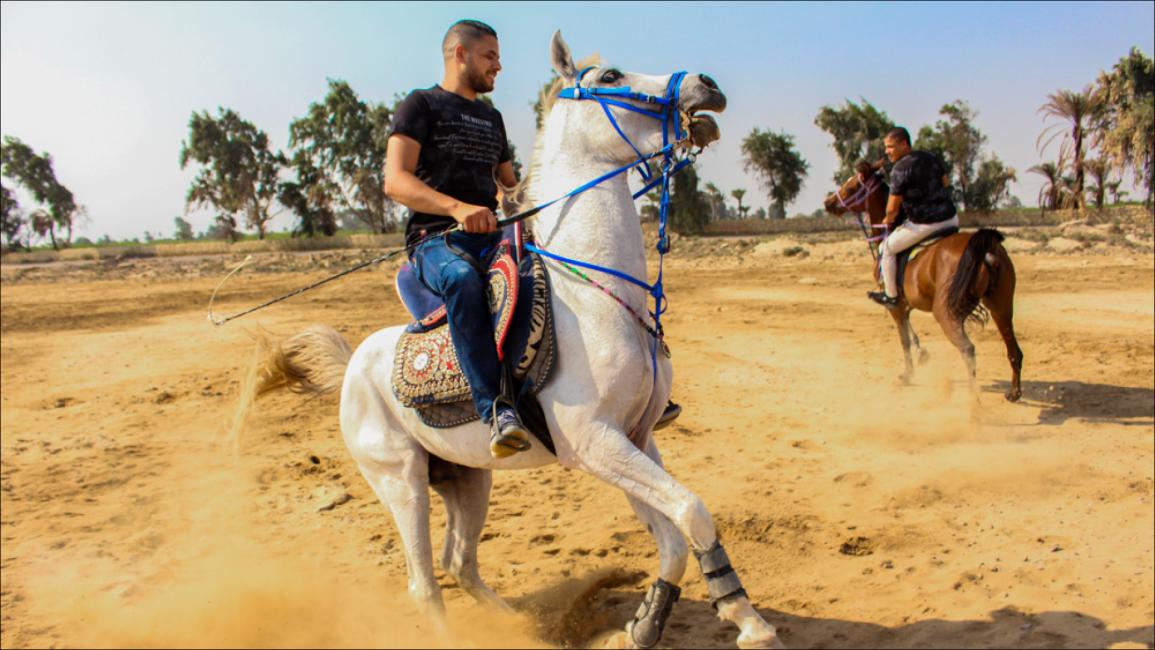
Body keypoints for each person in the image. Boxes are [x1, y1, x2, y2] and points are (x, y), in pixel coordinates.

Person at [384, 19, 530, 458]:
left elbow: (510, 190)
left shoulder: (493, 118)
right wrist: (458, 209)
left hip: (492, 236)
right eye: (490, 56)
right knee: (464, 281)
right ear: (459, 54)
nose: (499, 66)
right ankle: (496, 411)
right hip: (436, 240)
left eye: (499, 57)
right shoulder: (421, 105)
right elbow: (395, 181)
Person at [867, 127, 959, 309]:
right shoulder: (930, 157)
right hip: (951, 219)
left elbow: (892, 209)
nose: (887, 151)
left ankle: (891, 295)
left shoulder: (899, 169)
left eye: (890, 147)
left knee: (887, 249)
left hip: (925, 225)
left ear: (904, 144)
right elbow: (946, 181)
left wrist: (887, 219)